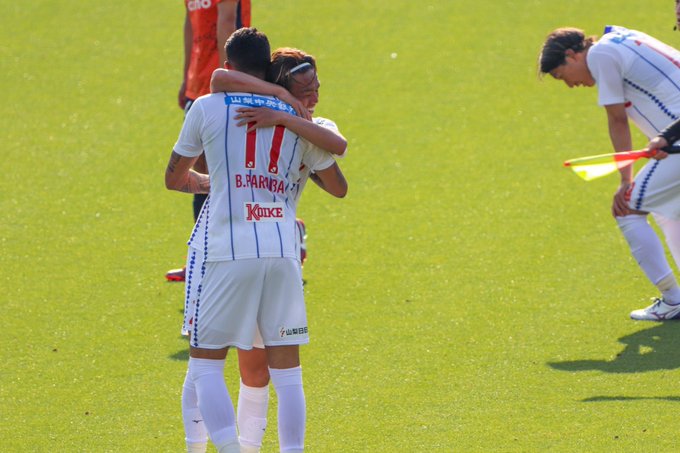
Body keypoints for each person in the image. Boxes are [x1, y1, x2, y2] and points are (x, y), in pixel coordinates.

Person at [165, 28, 347, 453]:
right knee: (285, 376)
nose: (314, 94)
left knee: (204, 366)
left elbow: (175, 176)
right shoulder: (306, 127)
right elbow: (339, 180)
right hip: (282, 249)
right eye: (308, 88)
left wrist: (216, 182)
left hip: (224, 247)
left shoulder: (210, 107)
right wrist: (287, 111)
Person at [538, 25, 680, 321]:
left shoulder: (601, 56)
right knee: (666, 210)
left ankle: (673, 300)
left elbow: (617, 120)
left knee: (628, 208)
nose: (570, 85)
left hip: (677, 141)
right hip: (673, 140)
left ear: (572, 55)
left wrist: (625, 181)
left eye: (561, 76)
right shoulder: (618, 38)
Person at [166, 0, 252, 282]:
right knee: (207, 175)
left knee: (227, 173)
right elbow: (190, 26)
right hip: (200, 85)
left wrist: (224, 84)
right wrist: (187, 77)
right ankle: (202, 257)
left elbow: (227, 24)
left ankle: (205, 258)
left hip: (221, 87)